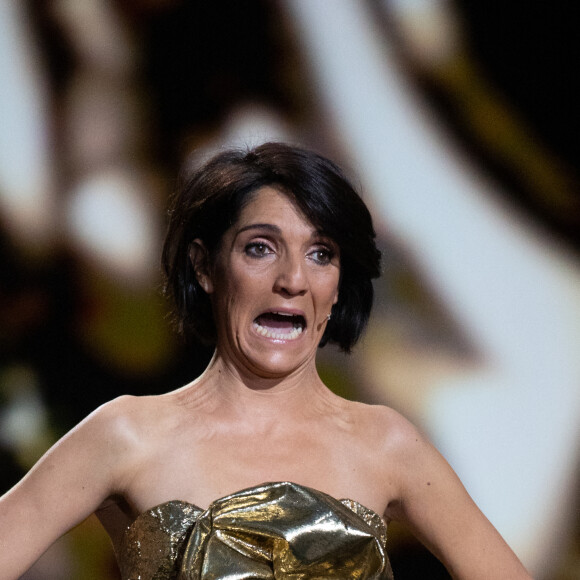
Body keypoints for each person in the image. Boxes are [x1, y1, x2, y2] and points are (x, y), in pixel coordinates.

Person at [0, 142, 532, 579]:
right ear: (205, 266)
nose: (293, 280)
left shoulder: (387, 443)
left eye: (321, 254)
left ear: (339, 284)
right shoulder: (126, 433)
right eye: (261, 247)